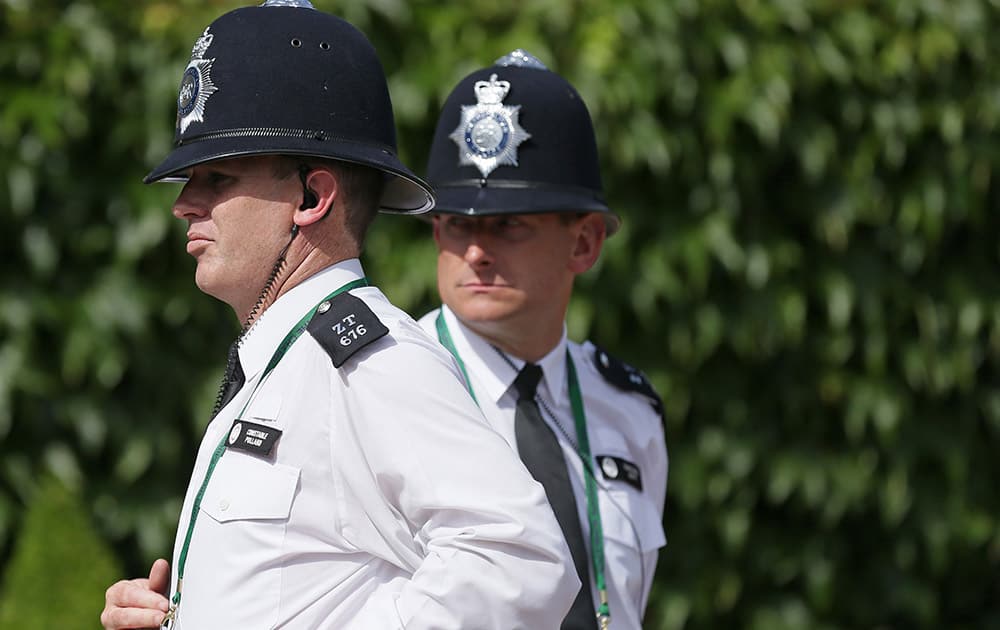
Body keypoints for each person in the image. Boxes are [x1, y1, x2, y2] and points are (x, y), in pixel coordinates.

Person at [101, 6, 579, 629]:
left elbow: (521, 557)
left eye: (216, 177)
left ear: (311, 198)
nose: (184, 204)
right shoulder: (286, 357)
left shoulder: (370, 362)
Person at [416, 50, 669, 630]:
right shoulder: (376, 385)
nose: (475, 251)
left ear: (583, 244)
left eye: (508, 224)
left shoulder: (629, 410)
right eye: (458, 223)